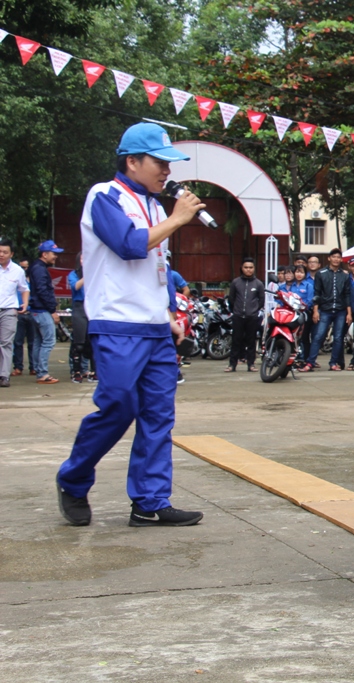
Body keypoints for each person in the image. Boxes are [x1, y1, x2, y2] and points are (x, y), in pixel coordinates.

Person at [56, 121, 205, 527]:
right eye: (159, 163)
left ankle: (150, 502)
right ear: (132, 161)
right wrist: (178, 219)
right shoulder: (104, 196)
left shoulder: (158, 206)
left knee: (159, 415)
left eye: (168, 164)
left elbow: (158, 267)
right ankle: (73, 479)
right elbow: (128, 246)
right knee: (118, 407)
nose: (166, 171)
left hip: (155, 328)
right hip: (117, 324)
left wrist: (169, 315)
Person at [302, 247, 351, 372]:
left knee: (339, 337)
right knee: (318, 336)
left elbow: (347, 294)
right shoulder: (321, 273)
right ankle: (310, 362)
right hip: (324, 310)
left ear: (341, 260)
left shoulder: (345, 275)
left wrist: (349, 313)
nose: (336, 259)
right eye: (333, 257)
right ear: (329, 258)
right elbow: (317, 293)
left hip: (340, 310)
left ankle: (333, 363)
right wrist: (315, 311)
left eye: (338, 257)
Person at [27, 240, 63, 384]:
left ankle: (37, 369)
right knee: (48, 341)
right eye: (54, 254)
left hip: (35, 310)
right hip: (41, 310)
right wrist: (52, 310)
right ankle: (42, 373)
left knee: (38, 341)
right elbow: (43, 291)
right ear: (44, 254)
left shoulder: (36, 267)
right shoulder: (40, 269)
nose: (55, 257)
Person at [0, 237, 30, 388]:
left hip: (9, 311)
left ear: (11, 254)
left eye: (5, 252)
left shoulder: (18, 271)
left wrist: (24, 303)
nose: (1, 254)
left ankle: (4, 376)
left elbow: (24, 289)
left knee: (6, 343)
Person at [226, 258, 264, 372]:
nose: (248, 270)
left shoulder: (258, 283)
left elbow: (261, 300)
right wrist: (235, 310)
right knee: (236, 341)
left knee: (251, 341)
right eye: (246, 267)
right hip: (238, 316)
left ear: (254, 269)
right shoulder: (235, 282)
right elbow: (231, 299)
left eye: (251, 267)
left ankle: (251, 364)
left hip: (252, 317)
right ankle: (232, 365)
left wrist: (254, 311)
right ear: (242, 268)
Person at [67, 252, 94, 383]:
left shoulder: (96, 273)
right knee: (79, 343)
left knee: (93, 341)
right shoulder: (73, 275)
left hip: (93, 306)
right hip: (79, 306)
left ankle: (94, 371)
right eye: (83, 258)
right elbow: (75, 286)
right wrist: (87, 276)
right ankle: (76, 371)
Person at [12, 257, 35, 377]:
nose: (23, 269)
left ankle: (33, 367)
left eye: (25, 267)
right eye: (21, 267)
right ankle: (18, 367)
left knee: (33, 342)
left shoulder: (33, 281)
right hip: (18, 313)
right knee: (18, 342)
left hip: (32, 313)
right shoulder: (15, 279)